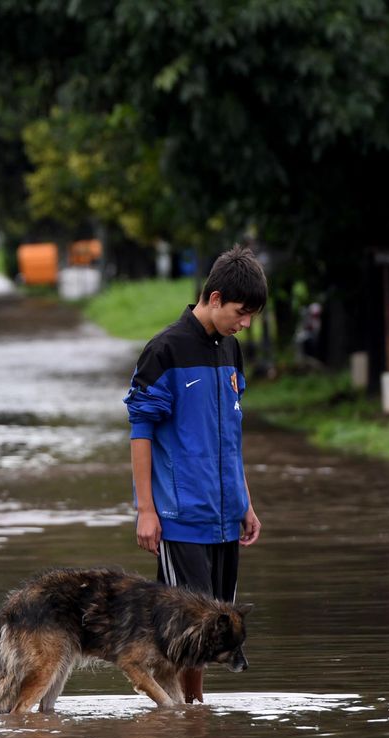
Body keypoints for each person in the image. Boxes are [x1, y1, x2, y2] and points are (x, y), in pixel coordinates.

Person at [124, 244, 267, 703]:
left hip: (226, 516)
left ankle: (189, 720)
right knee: (192, 630)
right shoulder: (164, 350)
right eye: (241, 313)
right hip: (181, 518)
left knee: (216, 629)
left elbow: (232, 435)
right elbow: (140, 431)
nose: (244, 323)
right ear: (215, 297)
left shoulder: (231, 350)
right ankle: (186, 717)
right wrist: (147, 510)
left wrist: (245, 503)